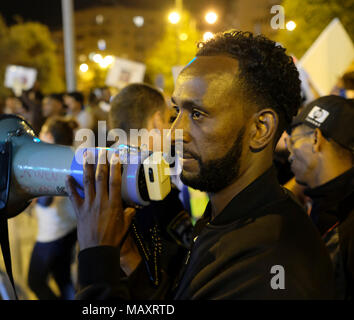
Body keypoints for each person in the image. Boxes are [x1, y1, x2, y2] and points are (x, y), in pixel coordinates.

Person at [65, 31, 336, 299]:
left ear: (260, 128)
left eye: (197, 114)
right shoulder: (227, 216)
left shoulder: (271, 261)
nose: (174, 132)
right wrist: (125, 256)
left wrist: (96, 262)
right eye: (176, 112)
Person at [108, 83, 192, 299]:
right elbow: (183, 254)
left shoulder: (97, 173)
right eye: (168, 120)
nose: (172, 130)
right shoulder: (154, 183)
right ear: (156, 120)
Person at [286, 95, 354, 299]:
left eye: (293, 141)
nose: (290, 155)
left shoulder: (343, 224)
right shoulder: (328, 206)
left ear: (315, 139)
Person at [27, 117, 78, 300]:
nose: (39, 136)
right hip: (70, 227)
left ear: (48, 135)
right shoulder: (72, 153)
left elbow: (46, 201)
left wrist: (31, 194)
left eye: (41, 133)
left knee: (35, 281)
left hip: (52, 232)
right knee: (63, 278)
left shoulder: (50, 159)